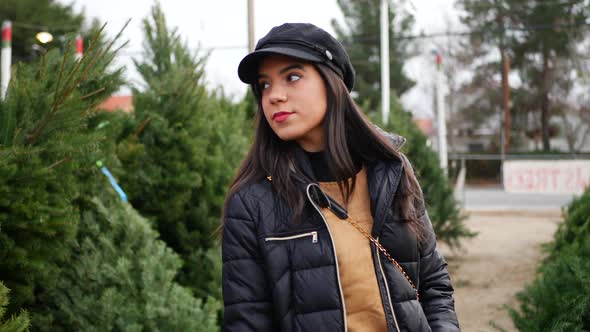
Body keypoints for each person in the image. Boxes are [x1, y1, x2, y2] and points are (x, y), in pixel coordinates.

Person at [222, 22, 460, 332]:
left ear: (332, 83)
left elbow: (434, 284)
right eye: (265, 84)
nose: (274, 96)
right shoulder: (253, 203)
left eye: (292, 77)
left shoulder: (391, 172)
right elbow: (247, 323)